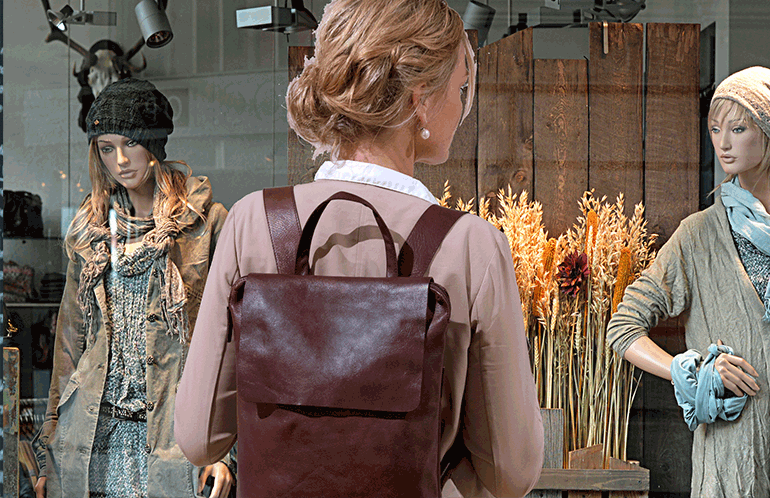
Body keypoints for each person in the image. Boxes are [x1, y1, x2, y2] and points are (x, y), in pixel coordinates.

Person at [173, 0, 544, 496]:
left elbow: (200, 438)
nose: (462, 109)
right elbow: (512, 472)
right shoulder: (471, 246)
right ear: (420, 100)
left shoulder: (252, 223)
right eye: (460, 90)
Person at [31, 78, 234, 498]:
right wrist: (49, 446)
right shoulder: (91, 231)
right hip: (91, 438)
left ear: (154, 144)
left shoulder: (205, 224)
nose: (120, 160)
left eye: (131, 143)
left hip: (173, 438)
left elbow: (233, 345)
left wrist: (224, 449)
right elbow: (69, 346)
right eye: (106, 148)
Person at [607, 66, 770, 496]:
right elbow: (623, 328)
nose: (723, 143)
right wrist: (693, 370)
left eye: (738, 128)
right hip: (733, 467)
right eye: (715, 129)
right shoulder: (698, 236)